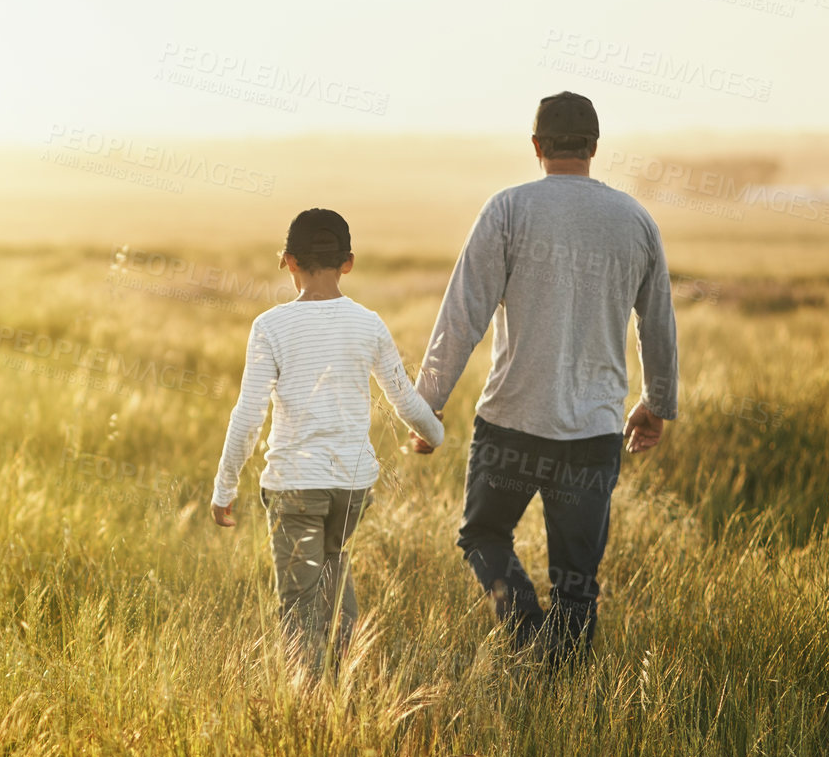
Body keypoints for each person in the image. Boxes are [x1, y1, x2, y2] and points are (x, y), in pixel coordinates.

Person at [410, 91, 680, 668]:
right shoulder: (635, 219)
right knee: (577, 583)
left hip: (511, 422)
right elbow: (658, 321)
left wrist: (426, 404)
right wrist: (657, 402)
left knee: (483, 536)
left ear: (536, 147)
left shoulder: (507, 210)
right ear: (595, 148)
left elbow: (464, 314)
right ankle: (561, 694)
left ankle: (525, 634)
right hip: (593, 431)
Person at [211, 208, 446, 677]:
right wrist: (434, 432)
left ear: (287, 261)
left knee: (299, 606)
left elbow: (248, 416)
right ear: (349, 262)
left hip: (295, 488)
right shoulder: (369, 323)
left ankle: (312, 707)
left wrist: (224, 489)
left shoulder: (270, 327)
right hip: (352, 489)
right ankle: (341, 686)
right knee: (334, 576)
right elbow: (402, 397)